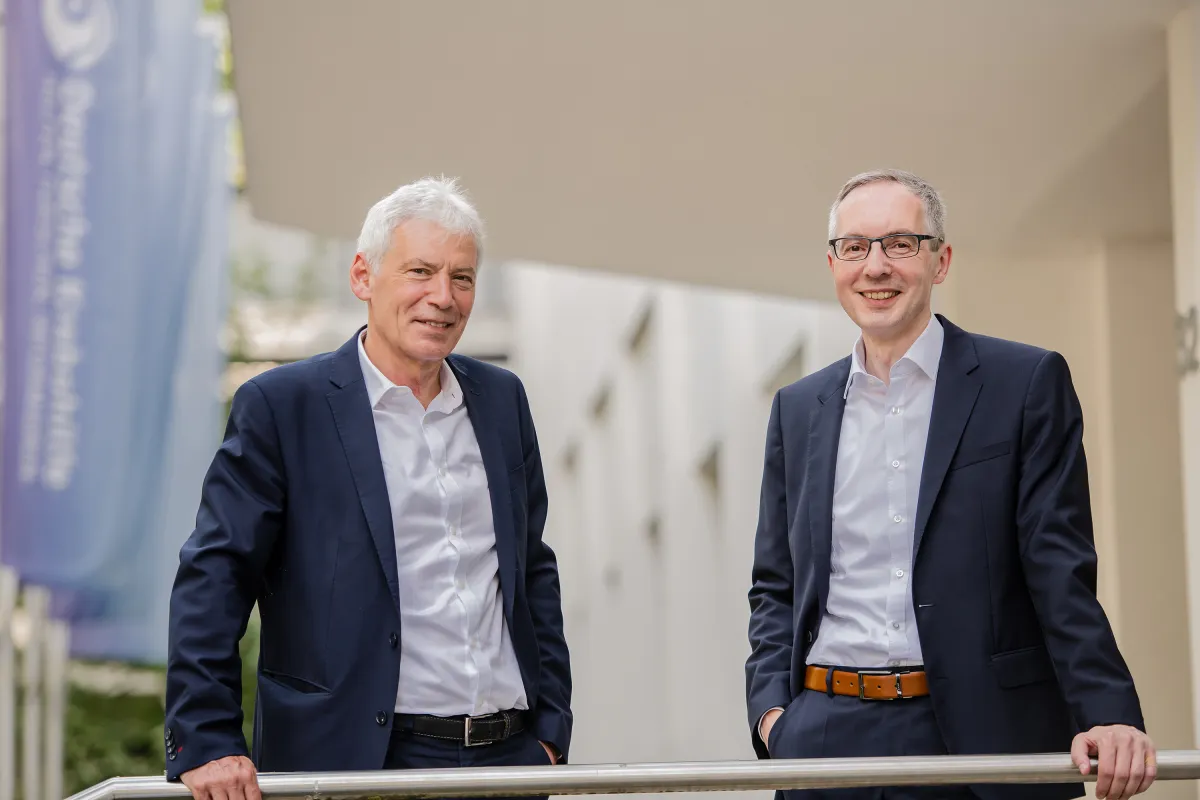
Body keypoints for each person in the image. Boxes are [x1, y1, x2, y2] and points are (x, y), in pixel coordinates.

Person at [745, 169, 1154, 800]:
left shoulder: (1023, 383)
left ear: (941, 262)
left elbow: (1058, 564)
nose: (875, 266)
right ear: (833, 265)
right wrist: (774, 714)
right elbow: (776, 582)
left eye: (900, 244)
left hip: (980, 735)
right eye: (855, 247)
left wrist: (1108, 709)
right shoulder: (798, 409)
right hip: (825, 735)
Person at [165, 176, 571, 800]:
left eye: (461, 278)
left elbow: (530, 568)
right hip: (358, 762)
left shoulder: (501, 400)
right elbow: (216, 574)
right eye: (420, 271)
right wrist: (208, 736)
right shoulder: (282, 407)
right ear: (363, 277)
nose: (443, 296)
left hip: (510, 762)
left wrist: (550, 726)